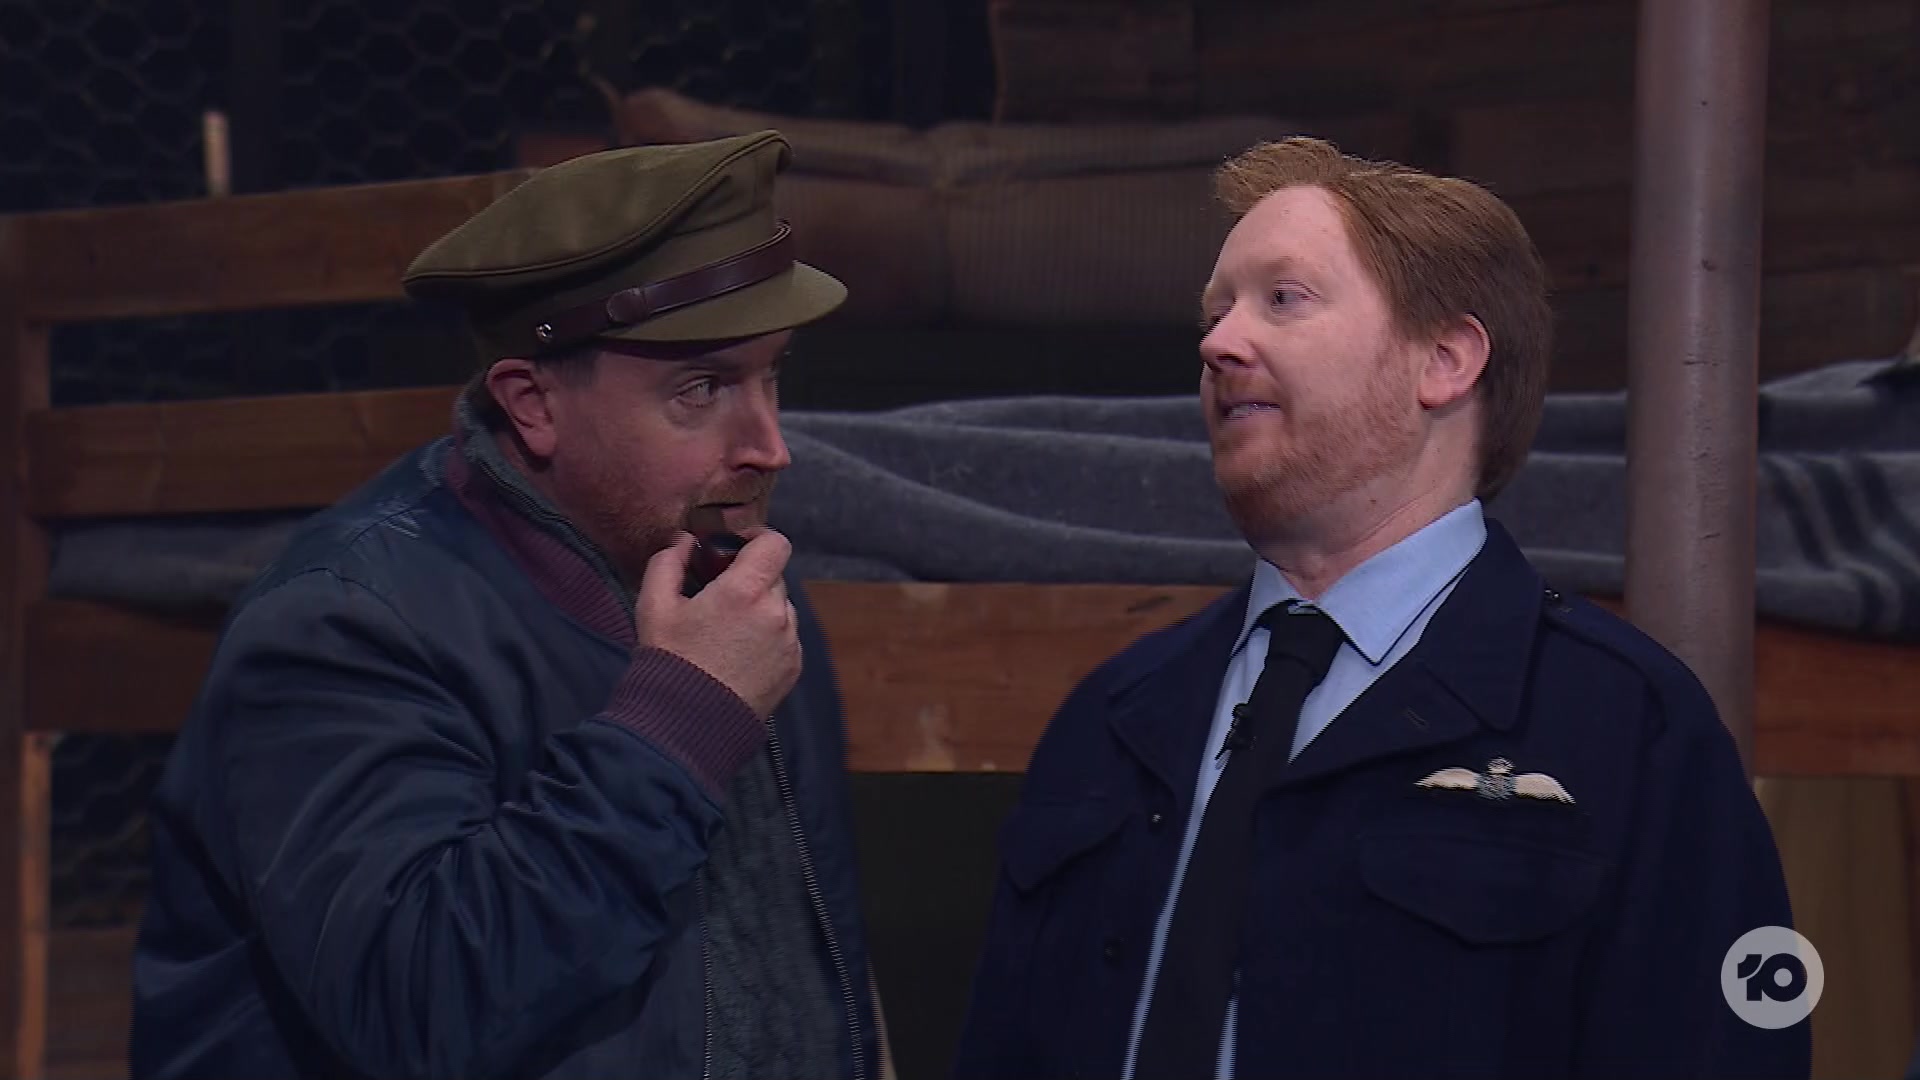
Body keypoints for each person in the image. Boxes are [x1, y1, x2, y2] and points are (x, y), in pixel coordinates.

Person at [952, 137, 1809, 1079]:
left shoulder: (1630, 726)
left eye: (1284, 299)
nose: (1217, 344)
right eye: (1216, 312)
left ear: (1444, 359)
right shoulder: (1114, 718)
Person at [130, 131, 891, 1080]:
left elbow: (792, 972)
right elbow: (422, 1011)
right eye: (702, 388)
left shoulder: (735, 585)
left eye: (772, 372)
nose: (770, 446)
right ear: (531, 403)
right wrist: (676, 725)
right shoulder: (343, 628)